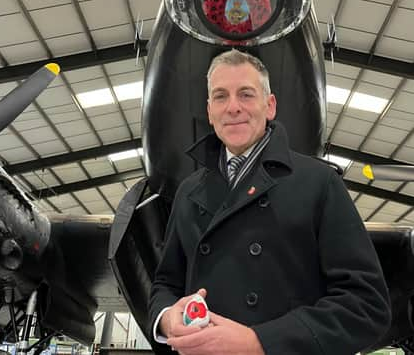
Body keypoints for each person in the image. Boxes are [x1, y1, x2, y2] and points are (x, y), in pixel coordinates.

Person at [148, 49, 391, 355]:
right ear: (209, 111)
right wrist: (168, 318)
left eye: (246, 94)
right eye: (221, 96)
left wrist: (260, 342)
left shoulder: (319, 182)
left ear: (270, 105)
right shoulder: (188, 191)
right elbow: (165, 284)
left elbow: (366, 306)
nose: (233, 107)